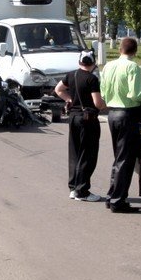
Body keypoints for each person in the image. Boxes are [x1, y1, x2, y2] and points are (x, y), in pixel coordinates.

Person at [99, 36, 141, 213]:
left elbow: (103, 92)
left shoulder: (108, 66)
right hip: (127, 114)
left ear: (120, 49)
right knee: (125, 160)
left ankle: (112, 194)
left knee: (118, 157)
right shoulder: (132, 67)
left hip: (112, 113)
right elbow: (135, 94)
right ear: (135, 51)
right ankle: (118, 200)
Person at [54, 50, 107, 203]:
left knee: (75, 152)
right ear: (93, 63)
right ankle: (82, 191)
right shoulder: (92, 79)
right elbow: (97, 103)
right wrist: (105, 104)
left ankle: (73, 188)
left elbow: (58, 90)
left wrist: (69, 99)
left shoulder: (71, 75)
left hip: (74, 118)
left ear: (80, 62)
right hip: (88, 119)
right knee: (88, 154)